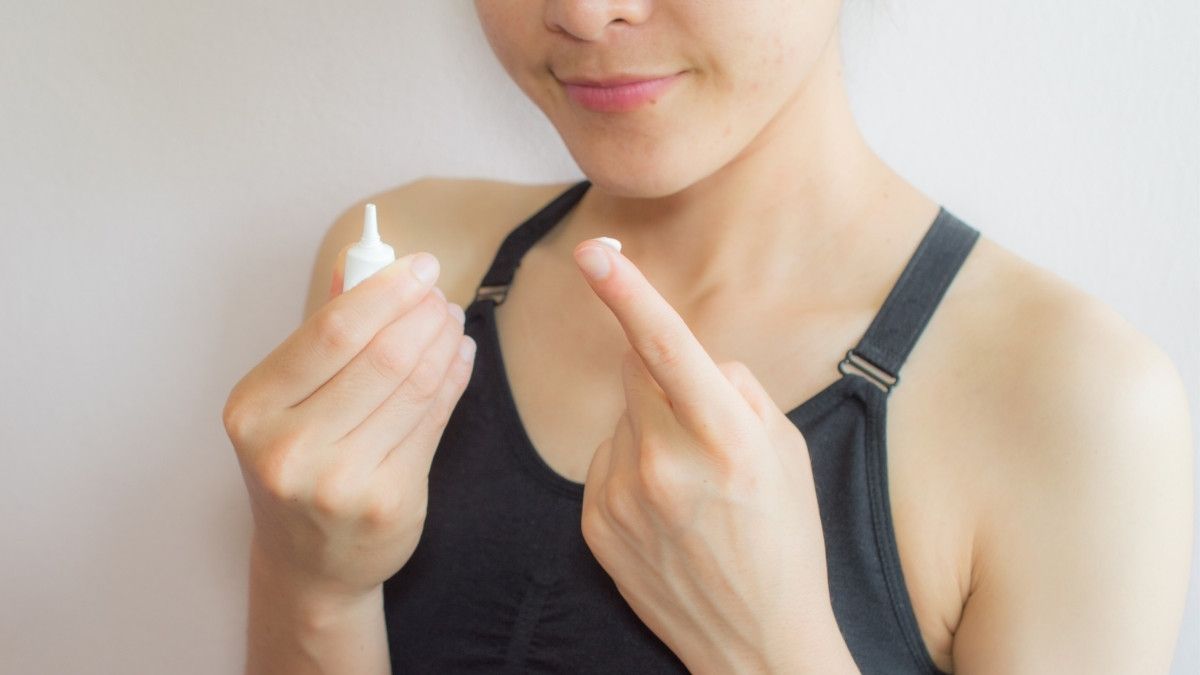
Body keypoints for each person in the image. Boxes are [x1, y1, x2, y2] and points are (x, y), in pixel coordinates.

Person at [224, 2, 1194, 673]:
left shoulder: (1075, 405)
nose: (585, 12)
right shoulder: (402, 267)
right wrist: (310, 583)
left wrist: (769, 652)